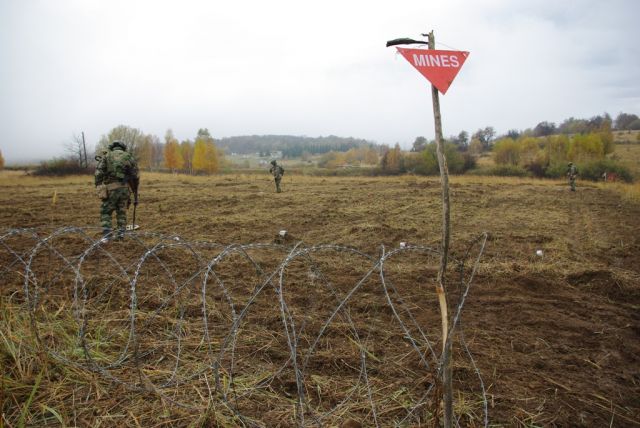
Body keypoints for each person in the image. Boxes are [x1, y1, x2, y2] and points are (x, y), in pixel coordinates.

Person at [94, 141, 139, 240]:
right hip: (125, 190)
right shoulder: (129, 157)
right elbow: (136, 176)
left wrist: (98, 186)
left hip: (111, 189)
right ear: (123, 148)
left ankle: (107, 237)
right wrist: (134, 191)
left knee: (106, 212)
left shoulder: (107, 156)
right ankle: (120, 236)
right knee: (121, 213)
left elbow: (98, 173)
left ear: (112, 147)